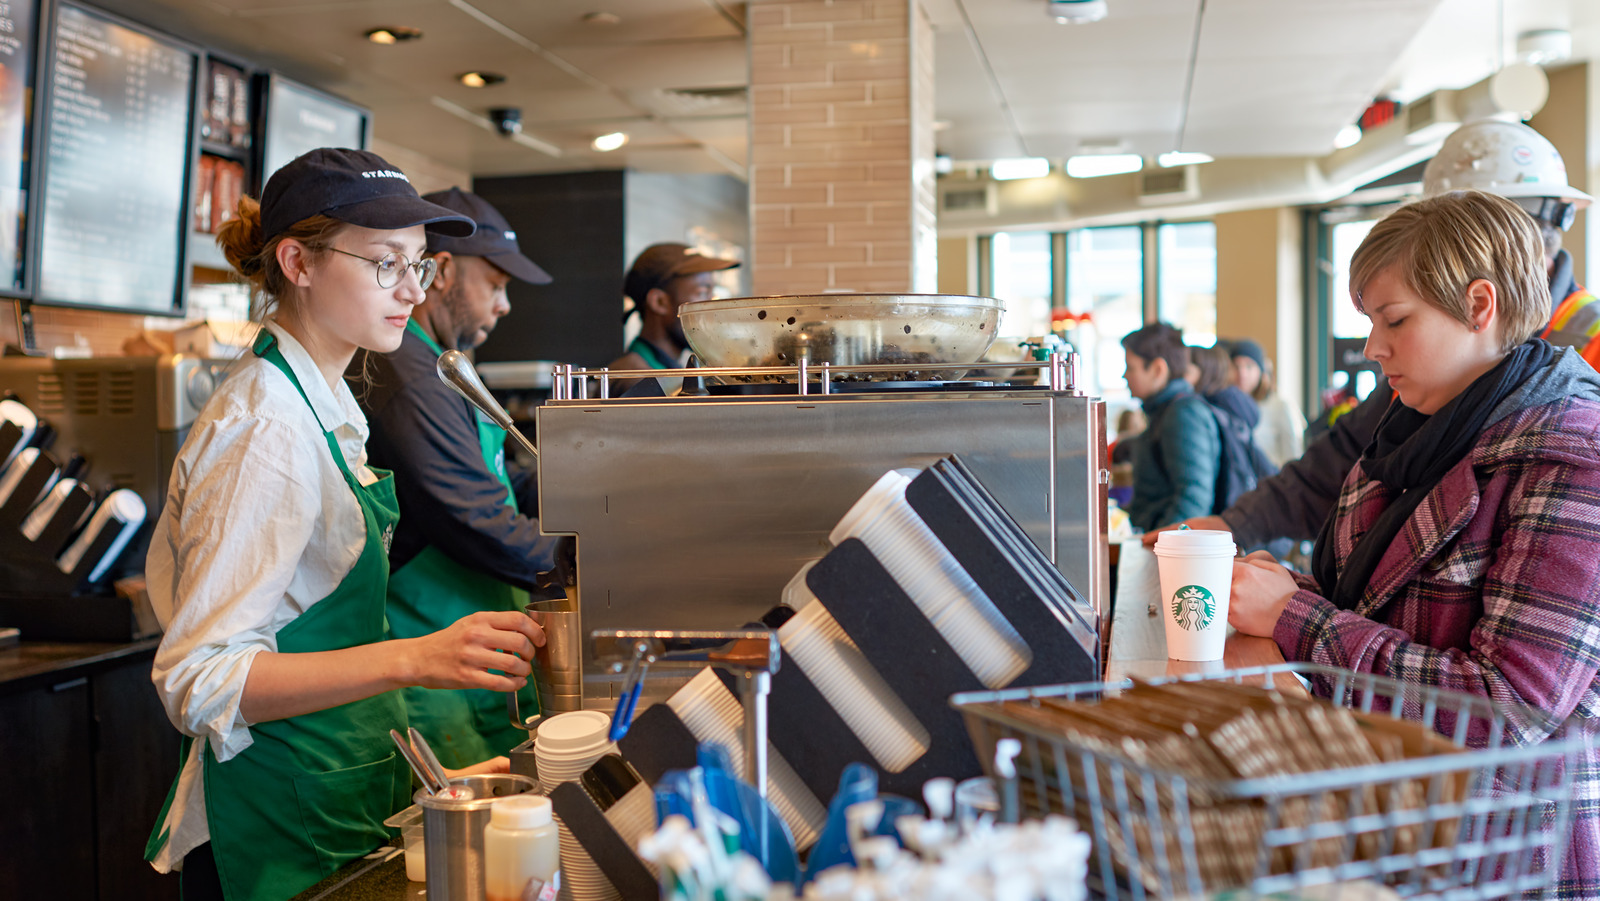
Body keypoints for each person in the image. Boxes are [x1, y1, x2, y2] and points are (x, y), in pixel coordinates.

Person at [143, 149, 547, 901]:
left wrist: (432, 775)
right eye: (385, 264)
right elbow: (202, 679)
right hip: (271, 822)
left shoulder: (325, 403)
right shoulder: (264, 428)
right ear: (297, 261)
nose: (409, 290)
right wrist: (417, 657)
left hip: (335, 795)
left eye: (420, 266)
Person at [1228, 190, 1600, 895]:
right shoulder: (1422, 428)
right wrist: (1284, 588)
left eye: (1394, 320)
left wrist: (1292, 615)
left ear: (1480, 305)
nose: (1373, 348)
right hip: (1402, 821)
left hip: (1506, 856)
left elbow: (1509, 707)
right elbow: (1375, 606)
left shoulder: (1575, 455)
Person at [1146, 119, 1594, 551]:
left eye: (1396, 320)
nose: (1375, 349)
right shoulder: (1431, 363)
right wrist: (1234, 526)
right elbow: (1343, 459)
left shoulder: (1579, 409)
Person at [353, 187, 569, 769]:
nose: (504, 306)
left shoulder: (442, 364)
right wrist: (586, 558)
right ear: (443, 272)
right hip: (434, 668)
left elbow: (496, 479)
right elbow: (472, 516)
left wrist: (585, 492)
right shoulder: (411, 375)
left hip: (472, 652)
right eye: (495, 285)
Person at [1121, 323, 1220, 531]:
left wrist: (1162, 546)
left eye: (1130, 367)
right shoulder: (1166, 411)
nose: (1124, 376)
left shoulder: (1183, 414)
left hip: (1171, 554)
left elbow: (1194, 499)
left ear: (1158, 369)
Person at [608, 242, 739, 393]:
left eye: (712, 293)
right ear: (659, 302)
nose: (713, 306)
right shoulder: (636, 380)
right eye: (702, 292)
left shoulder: (666, 372)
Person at [1227, 338, 1306, 467]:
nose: (1242, 373)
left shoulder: (1280, 406)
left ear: (1261, 371)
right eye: (1236, 366)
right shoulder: (1226, 407)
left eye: (1249, 366)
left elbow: (1294, 456)